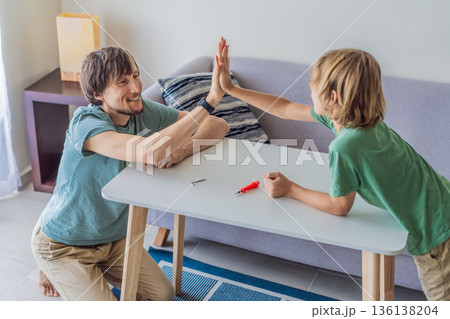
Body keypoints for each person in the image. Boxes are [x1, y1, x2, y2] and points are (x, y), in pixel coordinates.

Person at [216, 39, 449, 301]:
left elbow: (340, 206)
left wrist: (290, 188)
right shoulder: (364, 121)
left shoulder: (346, 145)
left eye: (313, 85)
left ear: (332, 98)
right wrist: (231, 89)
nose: (309, 88)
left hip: (437, 236)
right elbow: (284, 108)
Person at [32, 40, 229, 301]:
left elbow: (217, 125)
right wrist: (210, 99)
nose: (137, 88)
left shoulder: (141, 111)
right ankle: (54, 267)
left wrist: (180, 151)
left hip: (113, 241)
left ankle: (87, 276)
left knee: (163, 294)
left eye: (135, 76)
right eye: (123, 81)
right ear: (98, 93)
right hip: (64, 244)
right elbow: (150, 151)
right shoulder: (86, 122)